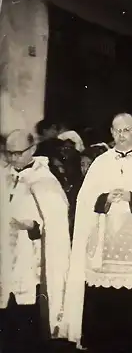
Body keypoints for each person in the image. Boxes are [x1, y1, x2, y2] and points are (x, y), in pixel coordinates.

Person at [60, 113, 132, 352]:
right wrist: (103, 199)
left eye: (126, 130)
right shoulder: (101, 162)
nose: (121, 136)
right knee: (104, 311)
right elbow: (84, 201)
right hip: (105, 247)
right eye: (116, 131)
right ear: (111, 133)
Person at [0, 130, 71, 352]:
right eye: (8, 153)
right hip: (4, 260)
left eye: (18, 153)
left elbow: (57, 223)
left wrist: (32, 226)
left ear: (32, 150)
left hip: (30, 262)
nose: (13, 158)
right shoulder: (2, 176)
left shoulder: (45, 181)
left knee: (26, 324)